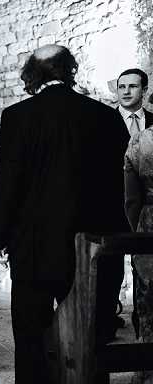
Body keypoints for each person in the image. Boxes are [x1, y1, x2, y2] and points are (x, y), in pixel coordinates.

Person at [0, 44, 129, 384]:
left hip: (34, 242)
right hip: (92, 242)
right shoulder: (106, 116)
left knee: (30, 331)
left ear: (33, 73)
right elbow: (117, 184)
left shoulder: (17, 116)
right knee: (93, 331)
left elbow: (8, 181)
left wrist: (0, 237)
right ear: (69, 70)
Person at [124, 114, 153, 384]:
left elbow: (132, 199)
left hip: (150, 222)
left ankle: (147, 368)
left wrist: (136, 231)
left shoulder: (140, 142)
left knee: (147, 298)